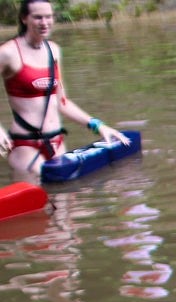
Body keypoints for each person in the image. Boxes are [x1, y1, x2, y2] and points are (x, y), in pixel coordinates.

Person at [1, 0, 130, 180]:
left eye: (49, 17)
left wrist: (98, 126)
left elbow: (62, 103)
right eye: (38, 17)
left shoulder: (53, 50)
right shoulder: (8, 52)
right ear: (24, 19)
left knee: (68, 195)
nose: (44, 23)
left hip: (57, 143)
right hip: (26, 147)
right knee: (37, 195)